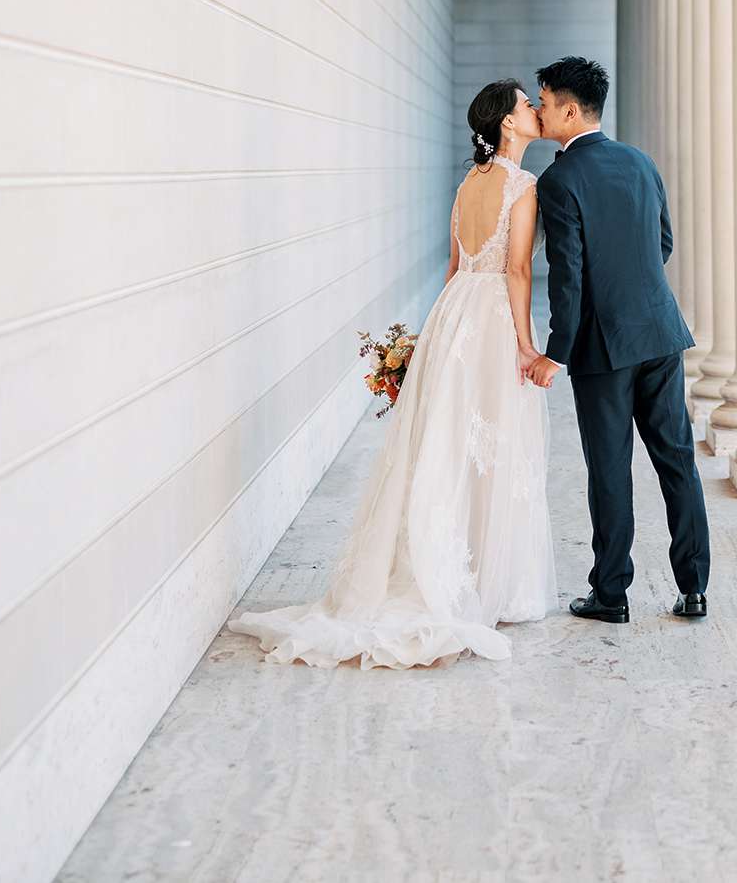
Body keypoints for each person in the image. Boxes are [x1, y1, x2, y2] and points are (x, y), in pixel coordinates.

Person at [228, 81, 556, 669]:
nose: (535, 108)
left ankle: (454, 565)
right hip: (491, 321)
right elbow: (517, 270)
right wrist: (526, 346)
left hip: (454, 313)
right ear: (508, 123)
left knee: (449, 440)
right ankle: (487, 578)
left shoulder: (467, 185)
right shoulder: (523, 186)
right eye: (525, 104)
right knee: (492, 440)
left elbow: (454, 266)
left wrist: (433, 340)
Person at [529, 56, 710, 623]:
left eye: (543, 101)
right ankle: (694, 589)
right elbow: (663, 242)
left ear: (569, 111)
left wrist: (556, 351)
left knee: (610, 470)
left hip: (602, 349)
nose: (537, 110)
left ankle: (611, 595)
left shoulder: (558, 180)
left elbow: (568, 276)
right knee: (677, 461)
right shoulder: (640, 161)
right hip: (659, 332)